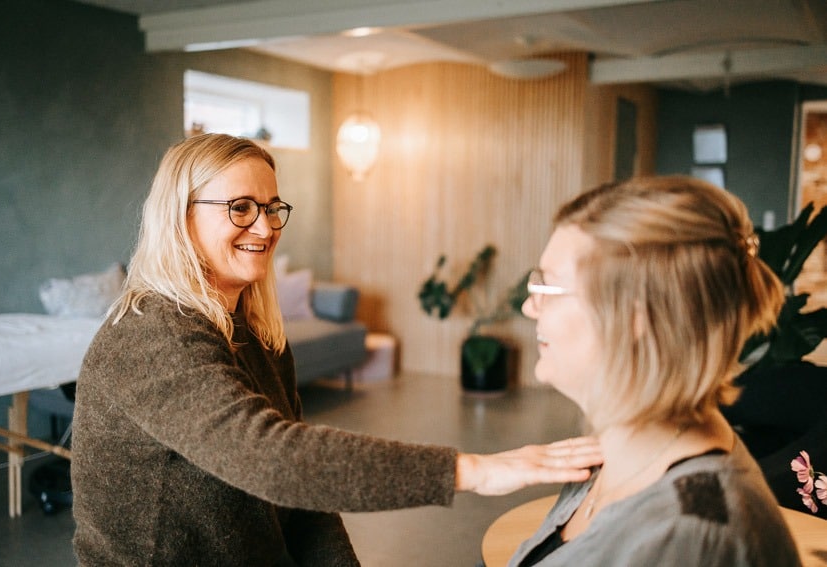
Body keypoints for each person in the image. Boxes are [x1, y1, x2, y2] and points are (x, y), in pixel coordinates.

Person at [70, 133, 602, 566]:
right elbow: (272, 460)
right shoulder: (151, 333)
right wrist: (476, 471)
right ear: (180, 218)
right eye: (239, 208)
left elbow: (301, 500)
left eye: (272, 207)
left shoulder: (253, 332)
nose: (265, 226)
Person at [509, 176, 802, 567]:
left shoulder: (692, 536)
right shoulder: (626, 441)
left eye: (549, 288)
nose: (530, 307)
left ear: (636, 315)